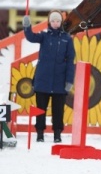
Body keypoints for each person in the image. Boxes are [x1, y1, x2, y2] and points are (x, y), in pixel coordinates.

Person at [22, 10, 75, 142]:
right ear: (49, 22)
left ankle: (57, 134)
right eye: (53, 21)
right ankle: (40, 133)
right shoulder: (44, 36)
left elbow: (70, 61)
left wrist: (69, 80)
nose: (55, 23)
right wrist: (27, 26)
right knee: (40, 109)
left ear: (61, 22)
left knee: (58, 111)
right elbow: (30, 37)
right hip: (43, 80)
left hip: (59, 82)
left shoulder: (67, 39)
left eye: (57, 21)